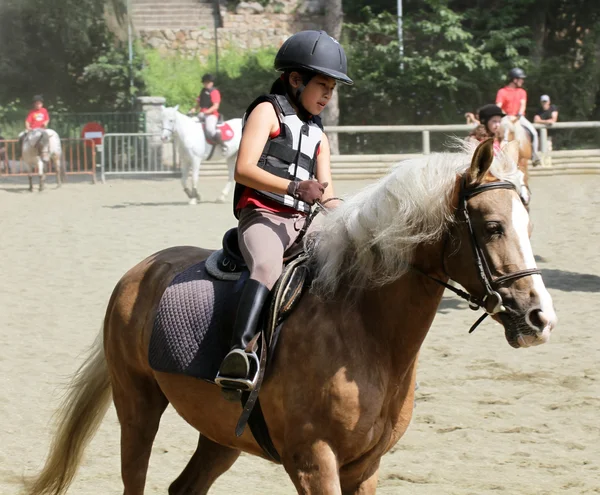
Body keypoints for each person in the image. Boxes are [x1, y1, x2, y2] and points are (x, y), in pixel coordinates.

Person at [216, 30, 352, 389]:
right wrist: (294, 187)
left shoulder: (318, 132)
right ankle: (239, 352)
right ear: (295, 79)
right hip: (261, 216)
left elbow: (328, 194)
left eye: (332, 89)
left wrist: (351, 219)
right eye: (322, 85)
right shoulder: (268, 111)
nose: (327, 95)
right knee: (266, 265)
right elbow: (242, 168)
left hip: (303, 223)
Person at [495, 68, 541, 165]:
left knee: (534, 133)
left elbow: (522, 104)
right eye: (521, 79)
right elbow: (498, 106)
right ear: (514, 79)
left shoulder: (522, 92)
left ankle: (534, 155)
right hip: (505, 118)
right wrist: (506, 116)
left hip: (519, 118)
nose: (522, 81)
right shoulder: (502, 92)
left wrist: (519, 115)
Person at [190, 73, 224, 148]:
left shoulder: (214, 92)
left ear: (212, 83)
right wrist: (194, 109)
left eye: (208, 82)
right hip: (202, 114)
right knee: (191, 124)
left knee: (210, 129)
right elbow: (199, 103)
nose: (206, 84)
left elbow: (216, 106)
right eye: (205, 82)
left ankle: (222, 145)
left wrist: (207, 111)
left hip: (212, 115)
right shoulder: (203, 91)